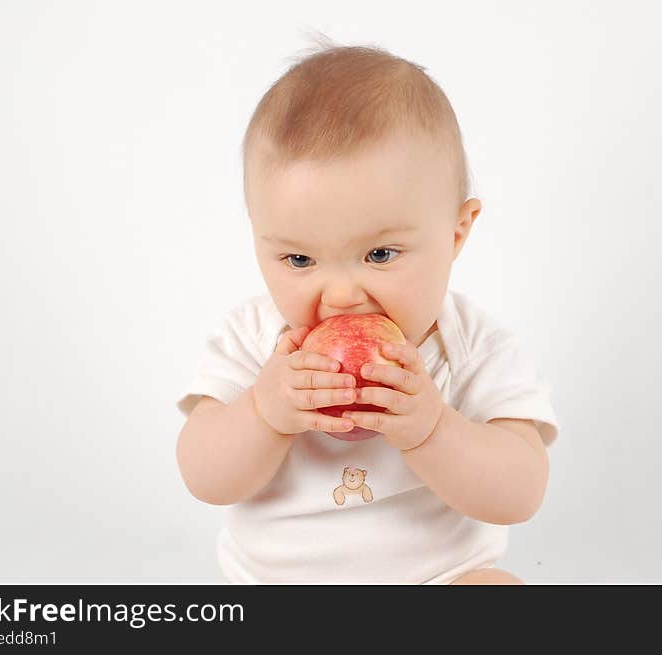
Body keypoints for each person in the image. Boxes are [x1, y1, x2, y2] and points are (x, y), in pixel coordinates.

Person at [175, 38, 559, 584]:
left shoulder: (473, 348)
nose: (340, 297)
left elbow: (521, 493)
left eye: (379, 255)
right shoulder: (254, 341)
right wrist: (263, 412)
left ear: (456, 232)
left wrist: (432, 429)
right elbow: (205, 477)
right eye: (300, 258)